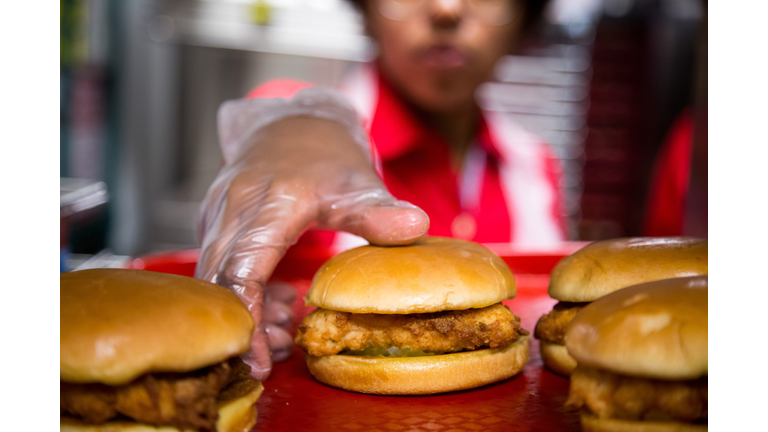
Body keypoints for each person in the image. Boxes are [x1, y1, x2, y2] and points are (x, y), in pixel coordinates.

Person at [195, 0, 561, 380]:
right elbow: (280, 109)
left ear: (523, 17)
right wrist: (295, 123)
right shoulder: (311, 137)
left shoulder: (535, 166)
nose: (447, 8)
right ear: (366, 10)